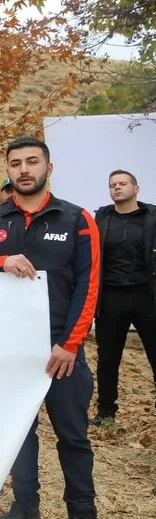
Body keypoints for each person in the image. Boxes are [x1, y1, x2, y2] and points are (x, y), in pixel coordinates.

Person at [0, 136, 112, 519]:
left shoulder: (78, 219)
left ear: (49, 166)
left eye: (32, 161)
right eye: (15, 163)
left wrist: (69, 345)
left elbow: (90, 285)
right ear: (7, 171)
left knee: (73, 439)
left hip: (62, 354)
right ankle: (25, 507)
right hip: (12, 352)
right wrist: (0, 262)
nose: (24, 169)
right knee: (19, 434)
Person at [91, 169, 156, 427]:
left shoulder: (151, 217)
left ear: (136, 189)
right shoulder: (102, 218)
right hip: (112, 297)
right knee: (108, 358)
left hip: (146, 296)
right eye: (112, 185)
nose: (117, 188)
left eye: (123, 183)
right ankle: (106, 412)